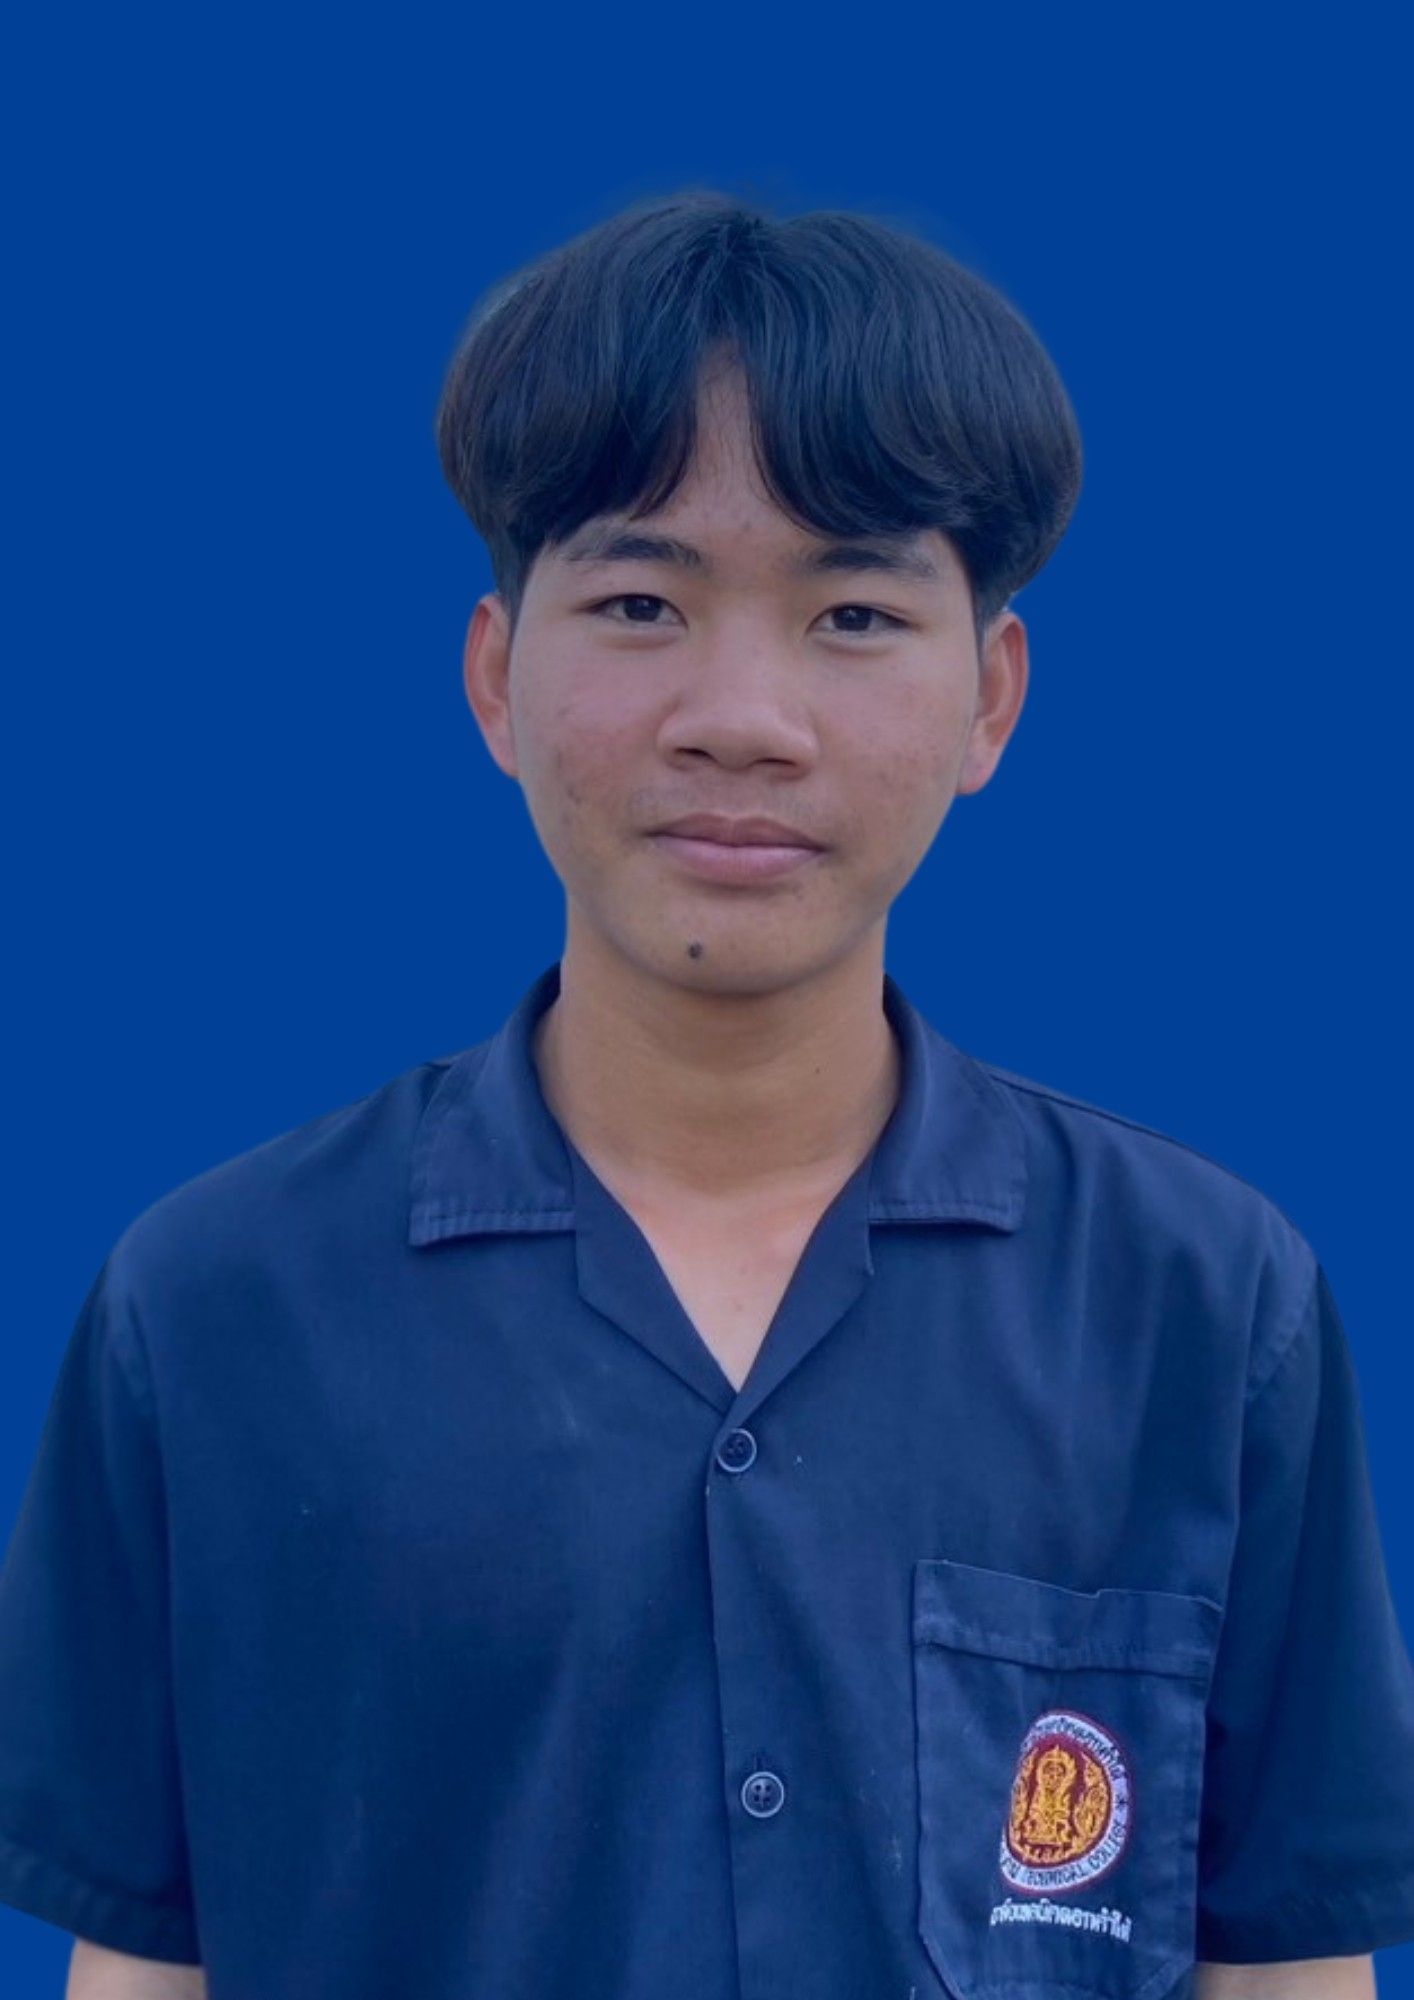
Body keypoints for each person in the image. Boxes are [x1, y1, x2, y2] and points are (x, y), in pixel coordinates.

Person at [0, 190, 1411, 2000]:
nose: (741, 715)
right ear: (496, 677)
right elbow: (140, 1968)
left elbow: (1284, 1967)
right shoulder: (214, 1305)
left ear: (991, 700)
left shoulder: (1201, 1305)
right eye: (641, 601)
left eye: (852, 610)